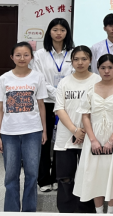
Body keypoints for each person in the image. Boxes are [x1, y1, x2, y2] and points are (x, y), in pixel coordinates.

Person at [73, 54, 113, 214]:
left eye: (110, 67)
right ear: (97, 69)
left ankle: (110, 212)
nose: (106, 71)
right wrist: (93, 140)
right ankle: (99, 212)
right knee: (95, 174)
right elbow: (85, 115)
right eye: (103, 68)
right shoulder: (91, 88)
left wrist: (111, 140)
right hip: (94, 136)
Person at [0, 42, 48, 212]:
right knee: (11, 175)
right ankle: (11, 211)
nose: (22, 58)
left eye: (26, 55)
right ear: (12, 57)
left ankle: (29, 211)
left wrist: (44, 130)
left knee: (32, 174)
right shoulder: (3, 79)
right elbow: (0, 108)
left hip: (33, 131)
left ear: (31, 57)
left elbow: (41, 105)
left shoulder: (38, 77)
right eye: (18, 55)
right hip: (9, 132)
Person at [54, 46, 100, 213]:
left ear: (90, 60)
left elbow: (100, 109)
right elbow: (59, 108)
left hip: (91, 136)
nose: (80, 62)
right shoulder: (64, 82)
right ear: (71, 61)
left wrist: (85, 131)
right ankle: (67, 211)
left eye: (84, 59)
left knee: (88, 175)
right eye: (76, 59)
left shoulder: (97, 80)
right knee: (65, 177)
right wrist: (75, 130)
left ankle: (86, 210)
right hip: (66, 135)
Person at [32, 18, 75, 192]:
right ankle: (43, 180)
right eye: (55, 29)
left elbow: (76, 76)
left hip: (67, 103)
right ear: (49, 32)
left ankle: (58, 176)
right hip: (46, 103)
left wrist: (62, 94)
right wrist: (57, 93)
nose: (58, 33)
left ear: (67, 33)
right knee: (44, 140)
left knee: (62, 140)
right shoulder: (40, 55)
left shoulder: (73, 53)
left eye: (62, 30)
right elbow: (38, 78)